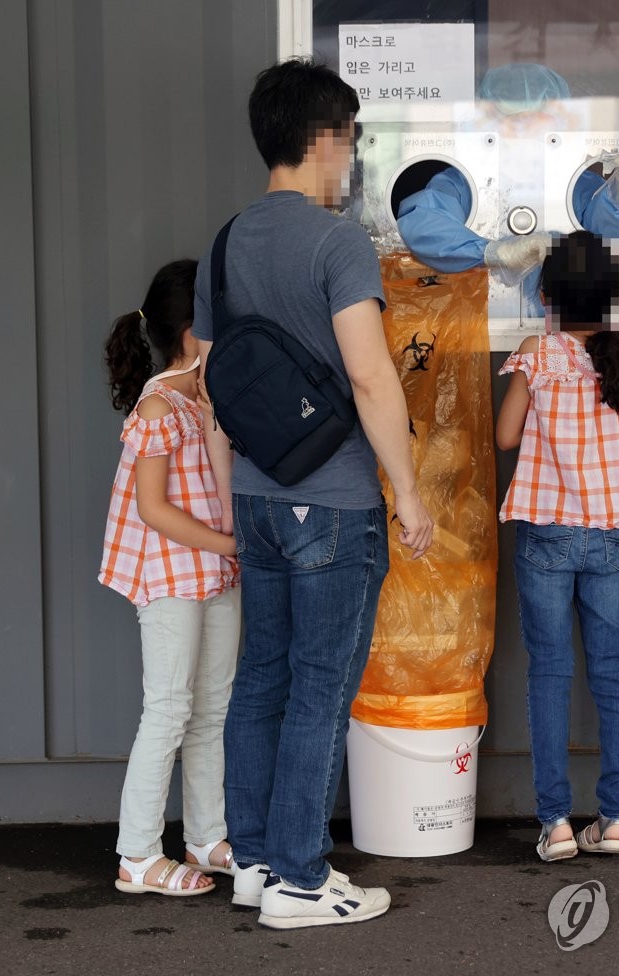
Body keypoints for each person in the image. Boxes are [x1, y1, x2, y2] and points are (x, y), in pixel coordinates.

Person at [193, 58, 434, 930]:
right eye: (352, 139)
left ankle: (254, 861)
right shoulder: (336, 243)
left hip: (256, 497)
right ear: (327, 139)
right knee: (320, 688)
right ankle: (301, 881)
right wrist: (406, 491)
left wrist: (233, 499)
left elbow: (219, 392)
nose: (351, 155)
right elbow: (371, 378)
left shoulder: (223, 245)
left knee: (261, 680)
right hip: (333, 499)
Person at [494, 230, 619, 862]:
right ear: (611, 295)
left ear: (546, 296)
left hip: (547, 532)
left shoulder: (539, 352)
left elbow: (507, 437)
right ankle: (616, 820)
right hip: (612, 533)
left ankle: (557, 824)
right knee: (614, 673)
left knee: (550, 673)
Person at [99, 260, 241, 897]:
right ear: (191, 327)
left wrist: (215, 412)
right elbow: (153, 508)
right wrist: (230, 545)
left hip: (215, 569)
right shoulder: (158, 401)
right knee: (169, 710)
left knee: (213, 708)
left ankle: (206, 836)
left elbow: (222, 483)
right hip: (171, 573)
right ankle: (137, 855)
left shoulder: (204, 395)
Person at [395, 64, 619, 314]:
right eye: (514, 122)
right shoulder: (463, 182)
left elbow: (605, 231)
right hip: (480, 325)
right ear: (489, 126)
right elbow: (423, 224)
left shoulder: (575, 183)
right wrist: (493, 251)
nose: (525, 133)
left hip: (559, 326)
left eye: (537, 122)